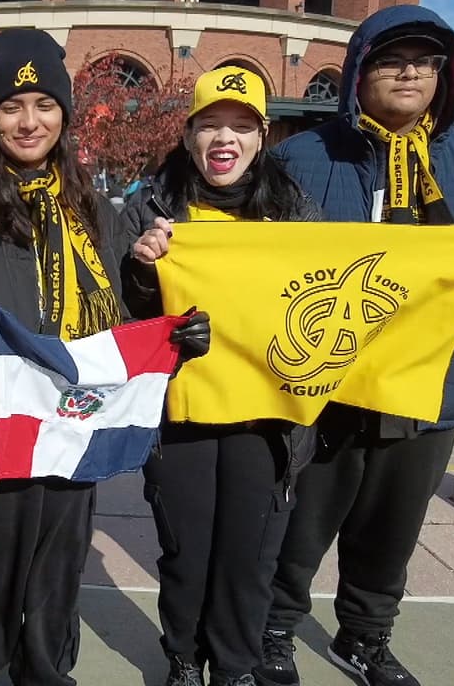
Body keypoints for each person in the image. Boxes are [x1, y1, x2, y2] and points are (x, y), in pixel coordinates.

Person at [254, 5, 454, 686]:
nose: (409, 71)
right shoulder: (302, 158)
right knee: (300, 527)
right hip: (328, 388)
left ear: (445, 74)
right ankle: (274, 632)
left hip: (432, 385)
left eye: (426, 60)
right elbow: (262, 267)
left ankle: (365, 638)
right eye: (391, 58)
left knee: (392, 531)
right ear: (358, 71)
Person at [0, 27, 208, 686]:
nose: (28, 122)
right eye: (11, 107)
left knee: (53, 592)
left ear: (65, 114)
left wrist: (171, 335)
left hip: (71, 440)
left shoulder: (97, 213)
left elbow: (123, 325)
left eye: (44, 104)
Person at [118, 66, 318, 686]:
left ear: (262, 137)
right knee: (186, 550)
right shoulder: (147, 211)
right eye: (210, 125)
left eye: (240, 126)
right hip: (182, 416)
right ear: (188, 135)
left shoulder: (297, 214)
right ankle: (183, 657)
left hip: (267, 419)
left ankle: (234, 666)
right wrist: (145, 274)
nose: (223, 138)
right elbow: (119, 318)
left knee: (249, 554)